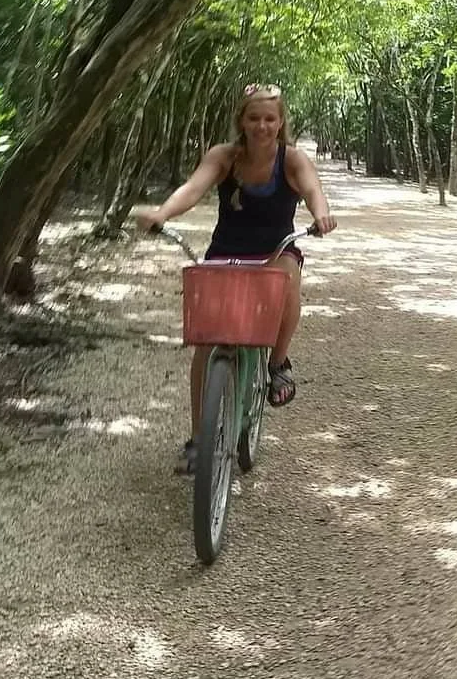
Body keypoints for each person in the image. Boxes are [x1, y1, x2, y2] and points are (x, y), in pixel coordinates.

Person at [136, 83, 336, 473]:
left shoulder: (291, 160)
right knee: (207, 344)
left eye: (269, 119)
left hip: (276, 250)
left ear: (281, 123)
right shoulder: (224, 157)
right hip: (226, 252)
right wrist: (163, 213)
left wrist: (321, 214)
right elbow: (193, 189)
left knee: (287, 282)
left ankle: (277, 363)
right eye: (253, 118)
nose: (261, 126)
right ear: (241, 122)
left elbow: (314, 191)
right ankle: (199, 439)